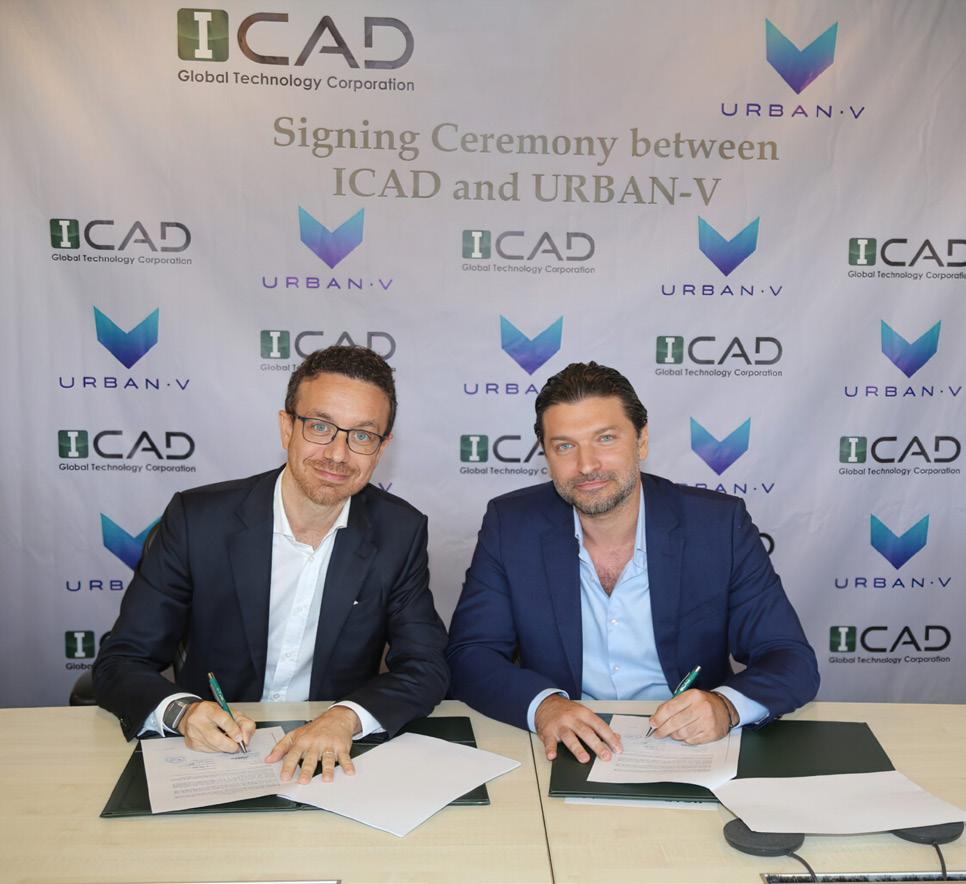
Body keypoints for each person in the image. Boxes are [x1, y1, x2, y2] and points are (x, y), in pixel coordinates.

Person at [94, 345, 449, 784]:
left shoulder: (400, 532)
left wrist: (346, 717)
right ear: (286, 427)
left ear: (381, 448)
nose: (338, 454)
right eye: (320, 427)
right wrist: (184, 713)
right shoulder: (198, 520)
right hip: (212, 756)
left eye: (362, 435)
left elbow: (426, 666)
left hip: (328, 760)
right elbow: (121, 661)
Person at [446, 361, 818, 764]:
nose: (587, 465)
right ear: (546, 455)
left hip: (691, 748)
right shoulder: (511, 525)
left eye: (605, 439)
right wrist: (544, 707)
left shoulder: (717, 526)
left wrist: (725, 707)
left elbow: (789, 658)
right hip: (564, 749)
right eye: (565, 446)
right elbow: (471, 653)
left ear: (641, 441)